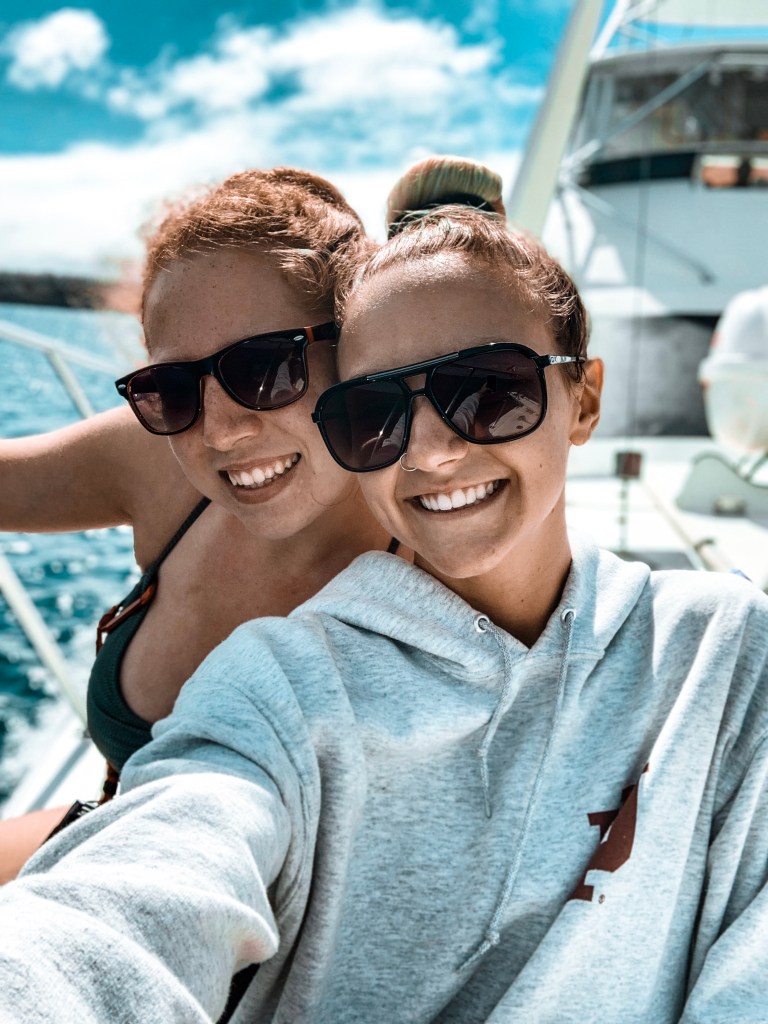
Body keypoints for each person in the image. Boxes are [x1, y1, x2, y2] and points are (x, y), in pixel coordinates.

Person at [1, 167, 767, 1024]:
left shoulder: (694, 637)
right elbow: (121, 902)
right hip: (124, 841)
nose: (219, 427)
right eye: (170, 389)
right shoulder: (185, 498)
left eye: (265, 370)